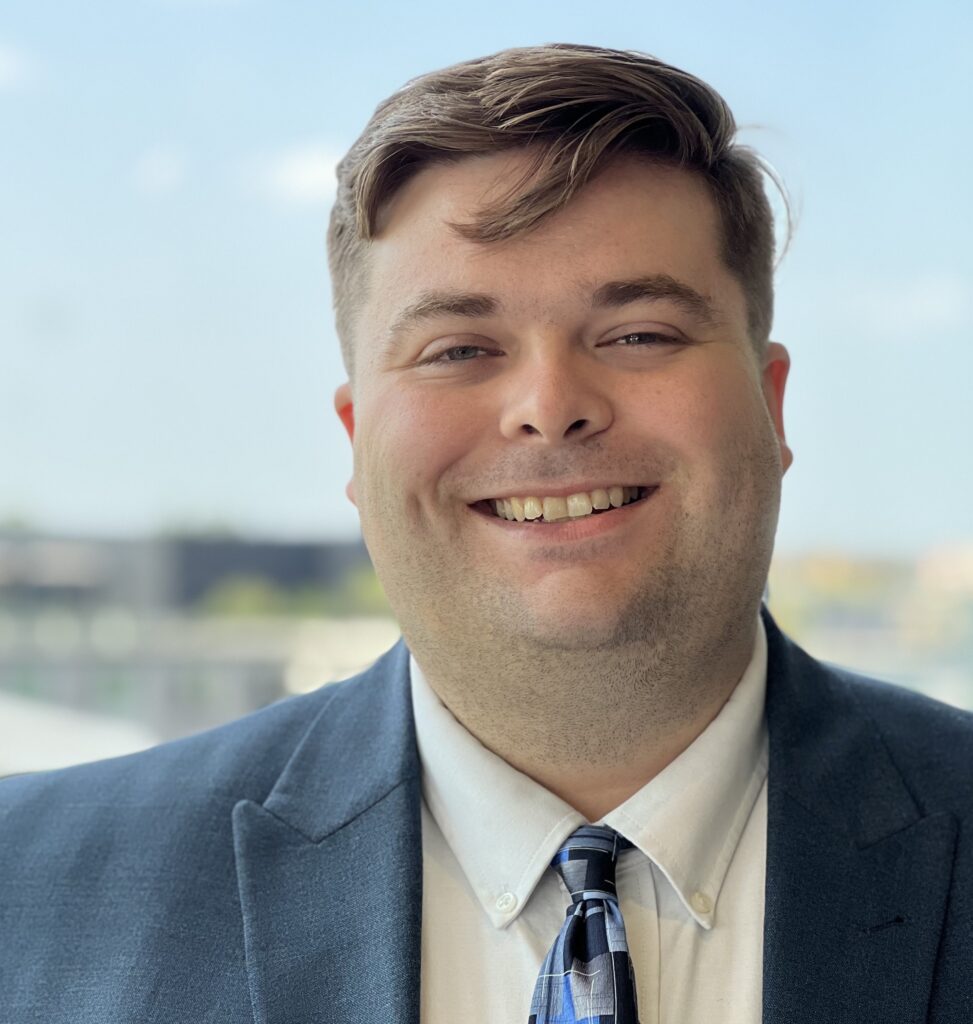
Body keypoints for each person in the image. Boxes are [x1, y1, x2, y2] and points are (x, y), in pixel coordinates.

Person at [1, 43, 970, 1024]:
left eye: (638, 334)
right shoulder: (28, 888)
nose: (549, 406)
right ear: (356, 439)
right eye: (458, 349)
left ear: (771, 405)